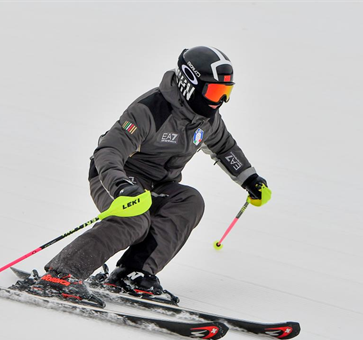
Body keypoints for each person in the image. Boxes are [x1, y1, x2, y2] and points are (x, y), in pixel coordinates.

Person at [22, 46, 272, 305]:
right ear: (190, 82)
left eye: (225, 93)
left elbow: (224, 147)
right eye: (215, 91)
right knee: (134, 219)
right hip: (116, 178)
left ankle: (131, 273)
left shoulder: (206, 119)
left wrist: (249, 178)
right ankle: (63, 274)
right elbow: (108, 150)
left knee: (189, 201)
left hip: (159, 185)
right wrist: (121, 186)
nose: (219, 100)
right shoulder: (150, 110)